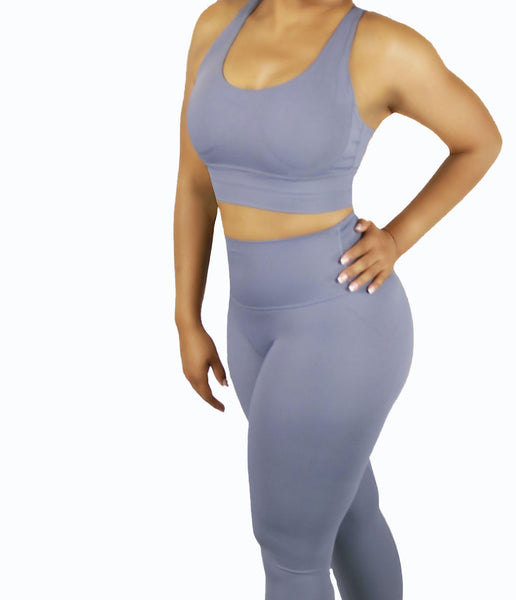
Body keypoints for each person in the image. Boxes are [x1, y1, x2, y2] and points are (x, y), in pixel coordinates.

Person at [174, 1, 502, 598]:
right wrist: (186, 316)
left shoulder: (381, 45)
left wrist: (397, 238)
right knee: (348, 514)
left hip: (340, 324)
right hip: (249, 324)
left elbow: (480, 140)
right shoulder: (216, 25)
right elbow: (195, 183)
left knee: (290, 553)